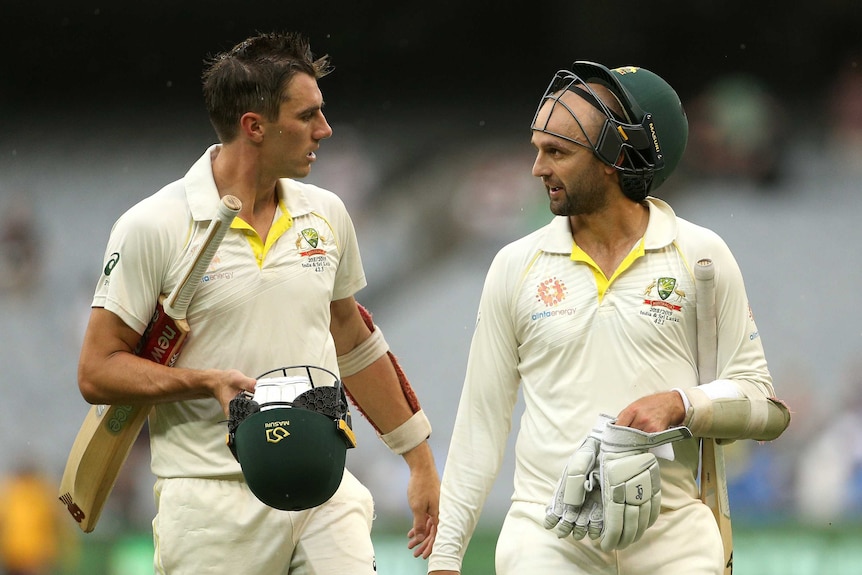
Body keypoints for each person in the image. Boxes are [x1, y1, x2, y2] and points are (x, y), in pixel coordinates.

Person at [77, 31, 439, 574]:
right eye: (308, 116)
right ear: (255, 126)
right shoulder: (153, 226)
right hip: (211, 507)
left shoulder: (327, 213)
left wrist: (418, 458)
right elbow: (96, 371)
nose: (325, 130)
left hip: (325, 487)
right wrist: (204, 381)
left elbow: (352, 337)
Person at [427, 62, 790, 575]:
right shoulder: (514, 266)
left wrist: (680, 405)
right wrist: (445, 559)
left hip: (675, 537)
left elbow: (766, 407)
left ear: (615, 158)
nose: (538, 168)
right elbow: (479, 429)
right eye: (537, 149)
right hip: (547, 534)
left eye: (557, 152)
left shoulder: (702, 257)